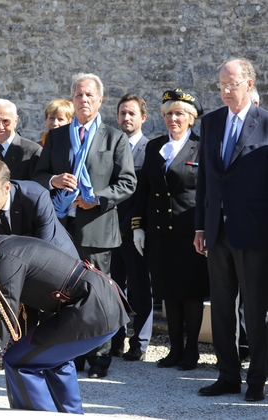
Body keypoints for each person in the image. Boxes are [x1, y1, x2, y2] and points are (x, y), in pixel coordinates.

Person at [0, 202, 130, 413]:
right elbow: (26, 311)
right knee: (51, 360)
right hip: (98, 303)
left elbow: (3, 320)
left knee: (18, 361)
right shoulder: (4, 248)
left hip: (92, 308)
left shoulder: (4, 259)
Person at [33, 72, 136, 378]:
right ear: (72, 99)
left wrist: (98, 199)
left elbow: (128, 183)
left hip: (98, 229)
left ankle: (100, 358)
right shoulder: (58, 136)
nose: (84, 100)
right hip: (62, 228)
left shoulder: (114, 138)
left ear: (100, 100)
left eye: (90, 95)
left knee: (99, 295)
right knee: (64, 293)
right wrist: (53, 179)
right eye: (78, 95)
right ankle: (71, 355)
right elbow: (39, 175)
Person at [195, 58, 268, 402]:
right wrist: (200, 227)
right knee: (222, 307)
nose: (225, 90)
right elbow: (205, 181)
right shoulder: (210, 123)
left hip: (254, 231)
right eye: (221, 84)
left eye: (232, 84)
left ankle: (256, 381)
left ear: (250, 84)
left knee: (255, 309)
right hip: (216, 230)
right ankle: (227, 376)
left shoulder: (265, 123)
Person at [132, 89, 209, 371]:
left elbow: (206, 193)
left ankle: (191, 352)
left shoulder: (201, 147)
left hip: (190, 233)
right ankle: (174, 350)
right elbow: (144, 190)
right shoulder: (154, 147)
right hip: (160, 233)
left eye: (178, 114)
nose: (172, 119)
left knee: (190, 293)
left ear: (190, 118)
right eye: (168, 114)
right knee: (168, 293)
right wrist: (138, 226)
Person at [0, 157, 78, 319]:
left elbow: (43, 255)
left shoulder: (35, 197)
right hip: (13, 270)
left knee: (54, 333)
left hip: (56, 269)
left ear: (7, 188)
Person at [110, 93, 153, 361]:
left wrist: (128, 226)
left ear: (143, 118)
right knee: (113, 287)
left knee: (139, 287)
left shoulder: (150, 150)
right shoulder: (112, 146)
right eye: (122, 113)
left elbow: (144, 195)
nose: (126, 118)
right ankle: (115, 339)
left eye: (132, 113)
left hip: (135, 230)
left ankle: (140, 341)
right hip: (108, 230)